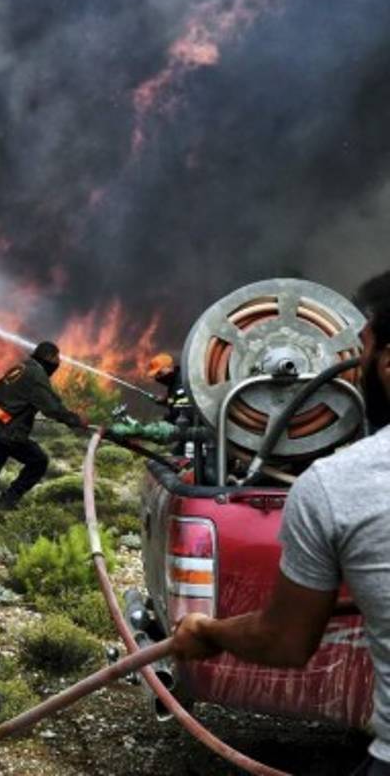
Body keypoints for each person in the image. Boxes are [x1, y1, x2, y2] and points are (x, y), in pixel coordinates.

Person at [171, 270, 390, 776]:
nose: (353, 367)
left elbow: (284, 640)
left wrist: (209, 631)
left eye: (365, 350)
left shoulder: (338, 486)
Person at [0, 341, 88, 525]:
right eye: (57, 358)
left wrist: (18, 406)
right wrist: (75, 420)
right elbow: (52, 407)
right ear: (50, 357)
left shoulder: (20, 368)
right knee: (34, 463)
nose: (58, 362)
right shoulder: (37, 375)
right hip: (6, 435)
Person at [147, 352, 192, 425]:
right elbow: (175, 400)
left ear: (170, 367)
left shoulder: (182, 382)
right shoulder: (173, 383)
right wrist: (165, 400)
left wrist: (167, 419)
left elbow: (182, 408)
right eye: (156, 375)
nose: (158, 377)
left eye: (160, 373)